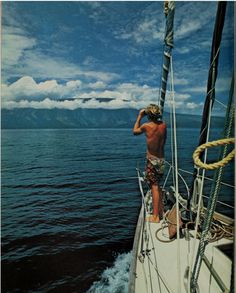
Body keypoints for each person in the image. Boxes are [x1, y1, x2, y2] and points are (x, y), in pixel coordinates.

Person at [133, 104, 167, 223]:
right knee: (157, 185)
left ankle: (155, 217)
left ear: (148, 115)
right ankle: (161, 211)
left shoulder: (146, 126)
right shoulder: (163, 125)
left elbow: (135, 131)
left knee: (154, 187)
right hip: (161, 159)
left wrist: (140, 116)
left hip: (152, 160)